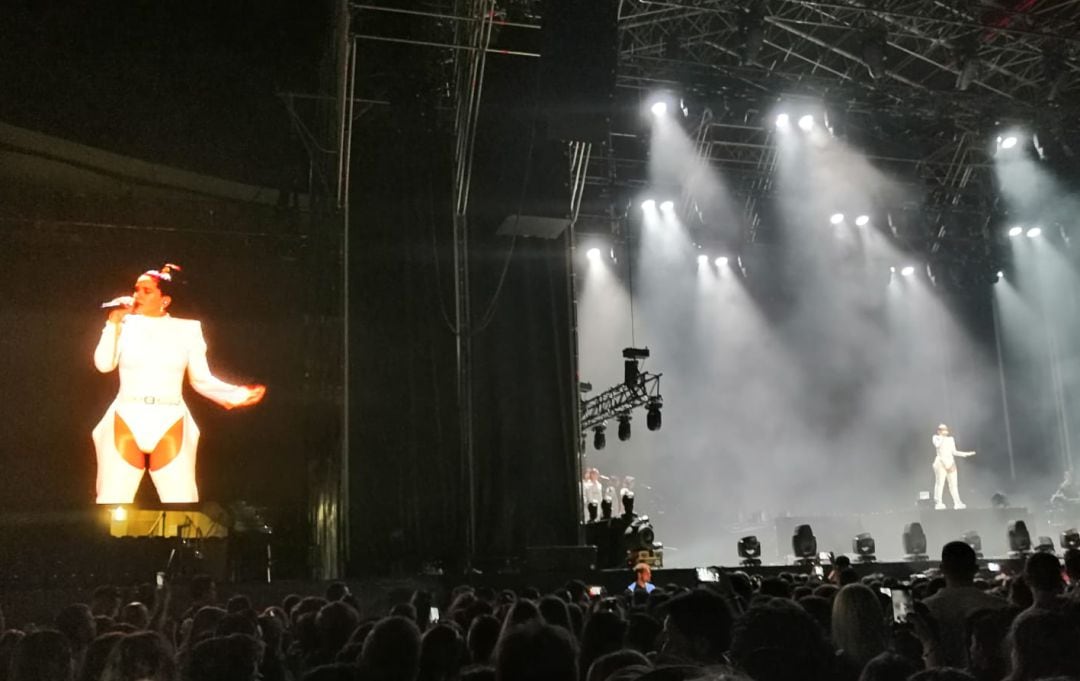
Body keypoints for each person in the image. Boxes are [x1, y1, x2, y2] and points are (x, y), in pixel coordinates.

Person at [92, 264, 266, 504]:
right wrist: (113, 324)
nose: (137, 295)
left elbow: (201, 380)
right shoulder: (124, 326)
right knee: (112, 499)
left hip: (170, 417)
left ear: (165, 300)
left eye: (146, 291)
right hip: (127, 415)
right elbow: (103, 364)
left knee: (180, 499)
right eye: (136, 289)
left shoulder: (188, 330)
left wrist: (234, 395)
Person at [931, 424, 974, 510]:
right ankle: (938, 502)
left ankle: (957, 502)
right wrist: (942, 437)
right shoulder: (936, 437)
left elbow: (954, 452)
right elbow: (937, 445)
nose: (944, 431)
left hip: (950, 462)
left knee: (953, 485)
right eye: (942, 429)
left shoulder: (951, 439)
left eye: (945, 429)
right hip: (940, 462)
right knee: (940, 483)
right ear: (939, 431)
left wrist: (965, 454)